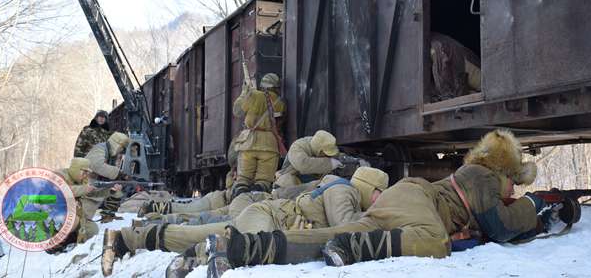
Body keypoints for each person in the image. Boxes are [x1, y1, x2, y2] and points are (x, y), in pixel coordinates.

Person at [204, 129, 559, 273]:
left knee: (332, 236)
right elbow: (501, 226)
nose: (513, 190)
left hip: (404, 202)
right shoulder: (483, 175)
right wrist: (539, 207)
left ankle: (239, 249)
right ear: (503, 171)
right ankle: (355, 246)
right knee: (434, 243)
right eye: (514, 182)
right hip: (417, 199)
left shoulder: (480, 178)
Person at [100, 167, 390, 277]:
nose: (378, 201)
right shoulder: (345, 191)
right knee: (235, 246)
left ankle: (126, 239)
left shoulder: (338, 186)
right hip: (267, 217)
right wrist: (379, 221)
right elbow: (348, 227)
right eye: (379, 194)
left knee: (195, 232)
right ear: (368, 186)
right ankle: (199, 256)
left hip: (263, 214)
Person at [49, 158, 122, 253]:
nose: (86, 175)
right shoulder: (59, 176)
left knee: (92, 230)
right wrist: (84, 189)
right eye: (84, 172)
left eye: (87, 172)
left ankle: (69, 243)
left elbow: (92, 193)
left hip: (73, 213)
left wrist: (110, 191)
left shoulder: (82, 180)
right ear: (76, 169)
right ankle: (53, 245)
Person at [232, 73, 286, 197]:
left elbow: (237, 111)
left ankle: (240, 205)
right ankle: (258, 205)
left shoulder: (253, 95)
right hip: (269, 146)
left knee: (243, 180)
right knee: (263, 182)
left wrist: (245, 92)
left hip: (248, 144)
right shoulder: (280, 102)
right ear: (276, 87)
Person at [274, 129, 342, 190]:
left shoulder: (327, 149)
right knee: (286, 180)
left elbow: (338, 157)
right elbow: (303, 165)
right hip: (293, 183)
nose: (327, 157)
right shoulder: (298, 146)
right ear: (318, 149)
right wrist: (330, 164)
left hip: (314, 185)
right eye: (326, 154)